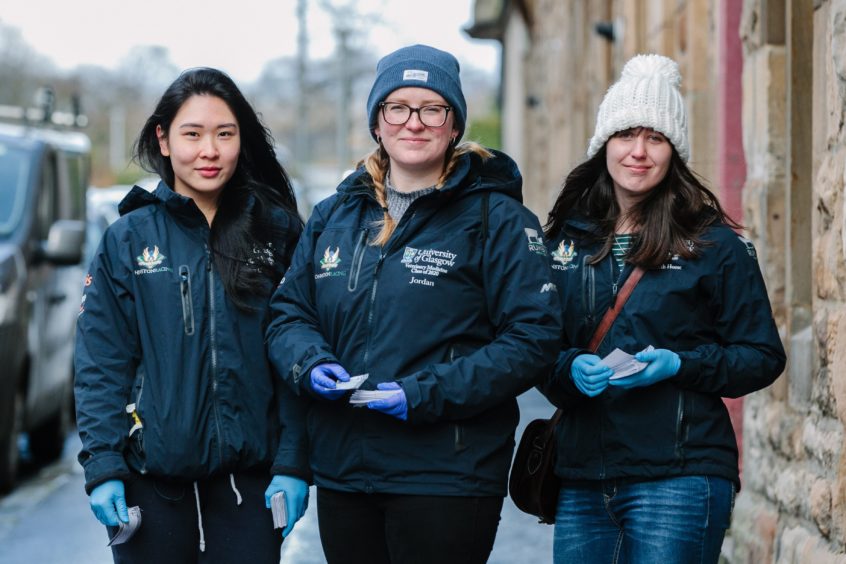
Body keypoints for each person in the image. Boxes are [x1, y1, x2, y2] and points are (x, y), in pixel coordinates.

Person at [265, 44, 561, 564]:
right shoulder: (335, 215)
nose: (414, 123)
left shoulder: (499, 220)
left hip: (448, 472)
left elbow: (532, 339)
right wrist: (309, 364)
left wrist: (424, 394)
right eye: (397, 107)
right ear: (378, 123)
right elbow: (289, 313)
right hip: (345, 468)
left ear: (453, 125)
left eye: (432, 109)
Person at [540, 54, 786, 564]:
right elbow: (533, 343)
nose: (638, 151)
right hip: (584, 477)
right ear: (603, 143)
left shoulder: (713, 243)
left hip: (679, 477)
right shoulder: (567, 240)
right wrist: (565, 366)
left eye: (655, 138)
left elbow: (762, 355)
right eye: (626, 134)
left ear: (674, 150)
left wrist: (682, 364)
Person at [74, 67, 309, 564]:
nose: (210, 150)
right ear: (163, 139)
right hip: (149, 487)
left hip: (251, 488)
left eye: (225, 134)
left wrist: (294, 462)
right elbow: (101, 363)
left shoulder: (277, 232)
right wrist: (103, 467)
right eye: (193, 134)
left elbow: (297, 356)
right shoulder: (129, 239)